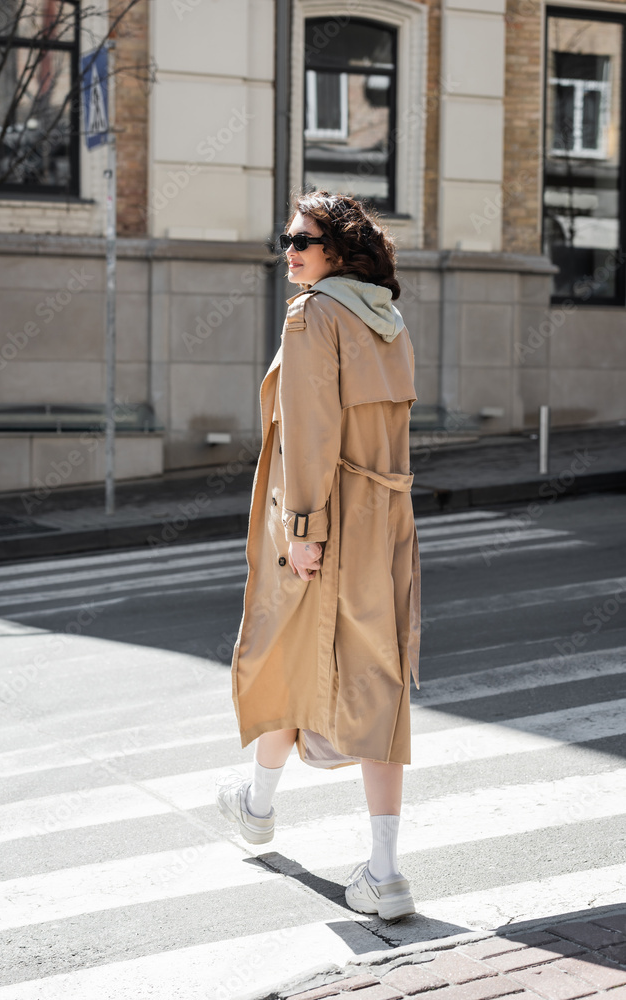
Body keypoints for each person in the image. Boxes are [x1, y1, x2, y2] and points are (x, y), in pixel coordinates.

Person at [216, 190, 421, 921]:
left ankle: (261, 807)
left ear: (337, 249)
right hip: (386, 522)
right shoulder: (385, 319)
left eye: (301, 240)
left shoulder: (313, 316)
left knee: (284, 653)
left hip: (325, 523)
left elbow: (307, 431)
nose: (289, 252)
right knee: (377, 677)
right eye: (286, 240)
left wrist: (301, 529)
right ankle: (378, 868)